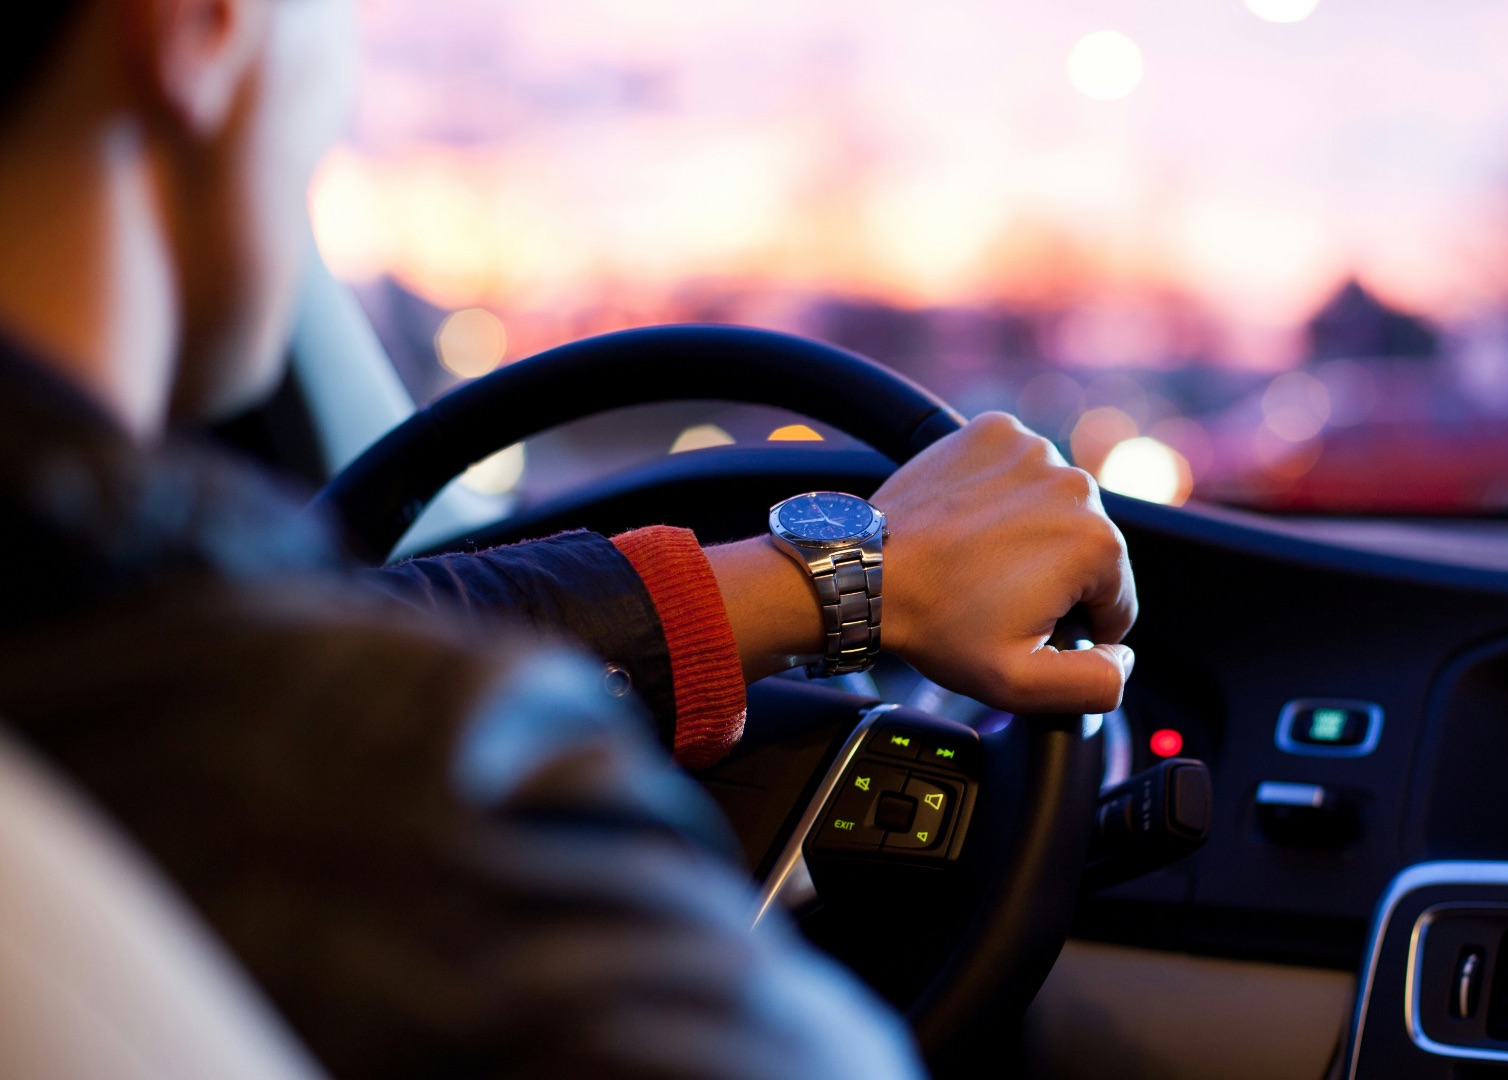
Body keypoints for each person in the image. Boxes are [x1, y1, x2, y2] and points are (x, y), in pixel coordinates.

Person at [0, 0, 1138, 1077]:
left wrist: (832, 583)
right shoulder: (404, 794)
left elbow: (309, 621)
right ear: (201, 24)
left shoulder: (104, 648)